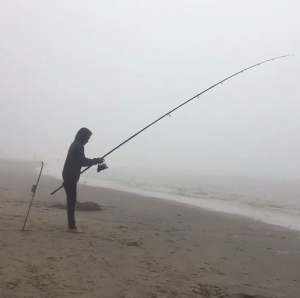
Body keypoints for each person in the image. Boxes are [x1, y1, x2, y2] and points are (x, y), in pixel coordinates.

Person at [62, 127, 107, 233]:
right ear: (83, 137)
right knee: (71, 203)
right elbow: (82, 162)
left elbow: (79, 161)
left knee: (71, 202)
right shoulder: (78, 146)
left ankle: (71, 225)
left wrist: (94, 161)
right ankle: (72, 227)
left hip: (68, 175)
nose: (88, 140)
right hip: (71, 176)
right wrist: (95, 161)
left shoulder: (75, 144)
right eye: (87, 138)